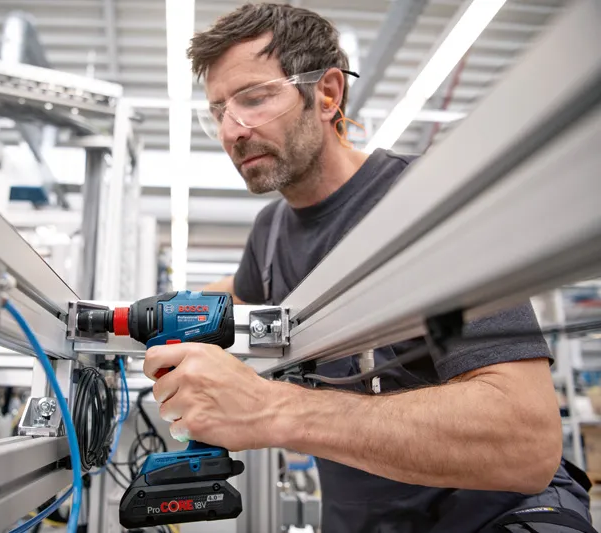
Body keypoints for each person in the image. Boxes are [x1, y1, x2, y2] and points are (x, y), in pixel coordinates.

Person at [142, 4, 595, 532]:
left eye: (254, 99)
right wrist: (123, 319)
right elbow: (232, 300)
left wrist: (272, 410)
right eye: (218, 110)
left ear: (328, 93)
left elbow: (526, 442)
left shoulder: (425, 204)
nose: (231, 131)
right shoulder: (269, 236)